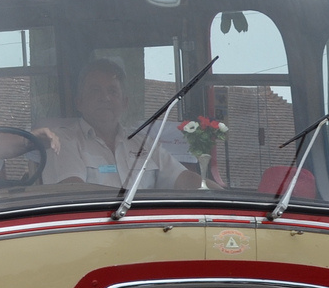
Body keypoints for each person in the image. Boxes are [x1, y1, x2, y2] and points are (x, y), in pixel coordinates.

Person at [35, 58, 203, 191]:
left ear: (125, 103)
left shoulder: (143, 143)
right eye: (95, 90)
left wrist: (221, 194)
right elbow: (74, 194)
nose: (105, 98)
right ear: (79, 102)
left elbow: (184, 179)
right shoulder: (63, 140)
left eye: (112, 91)